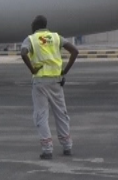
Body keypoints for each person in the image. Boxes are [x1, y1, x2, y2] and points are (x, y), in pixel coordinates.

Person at [19, 15, 78, 159]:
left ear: (35, 26)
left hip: (40, 82)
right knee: (61, 113)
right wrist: (64, 71)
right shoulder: (56, 37)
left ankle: (47, 149)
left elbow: (23, 52)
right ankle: (67, 146)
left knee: (41, 115)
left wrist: (32, 70)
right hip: (56, 81)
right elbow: (75, 51)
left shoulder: (31, 39)